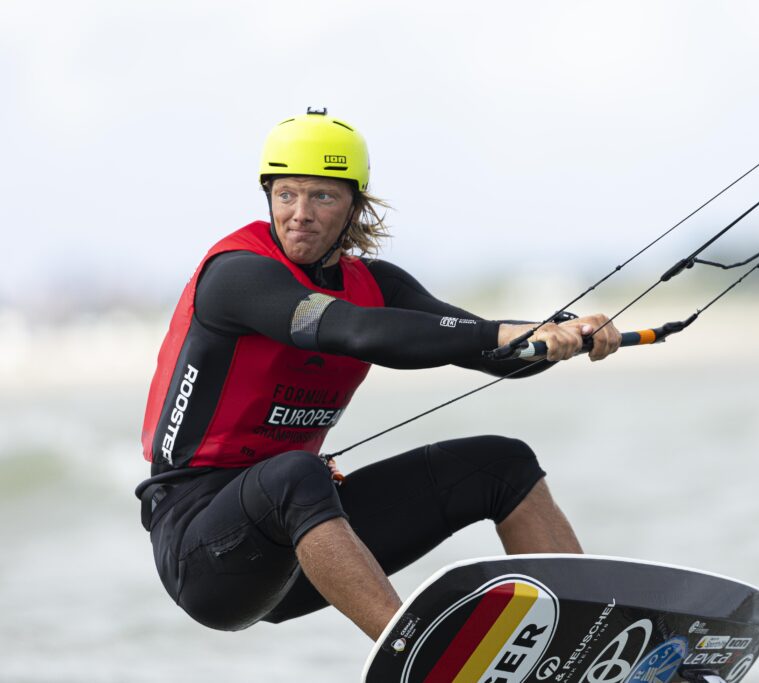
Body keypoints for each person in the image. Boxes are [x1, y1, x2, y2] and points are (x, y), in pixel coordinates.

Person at [136, 107, 622, 641]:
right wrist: (506, 334)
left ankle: (587, 639)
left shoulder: (376, 282)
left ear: (354, 208)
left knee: (502, 464)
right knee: (298, 473)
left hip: (301, 544)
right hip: (203, 552)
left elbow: (486, 347)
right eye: (286, 194)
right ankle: (417, 657)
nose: (300, 213)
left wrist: (561, 336)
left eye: (323, 196)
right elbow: (355, 331)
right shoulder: (237, 275)